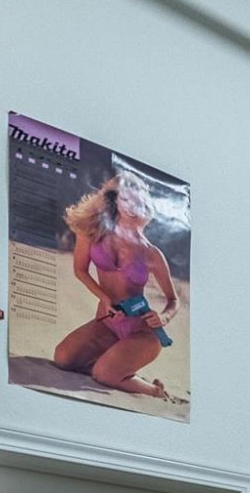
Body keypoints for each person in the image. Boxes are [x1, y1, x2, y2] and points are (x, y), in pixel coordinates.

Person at [49, 170, 180, 398]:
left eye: (137, 200)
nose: (132, 205)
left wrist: (165, 317)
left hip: (143, 332)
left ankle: (155, 391)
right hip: (107, 324)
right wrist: (104, 297)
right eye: (125, 199)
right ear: (114, 200)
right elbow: (80, 270)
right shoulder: (93, 232)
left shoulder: (151, 253)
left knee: (103, 375)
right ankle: (113, 364)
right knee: (62, 358)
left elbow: (173, 299)